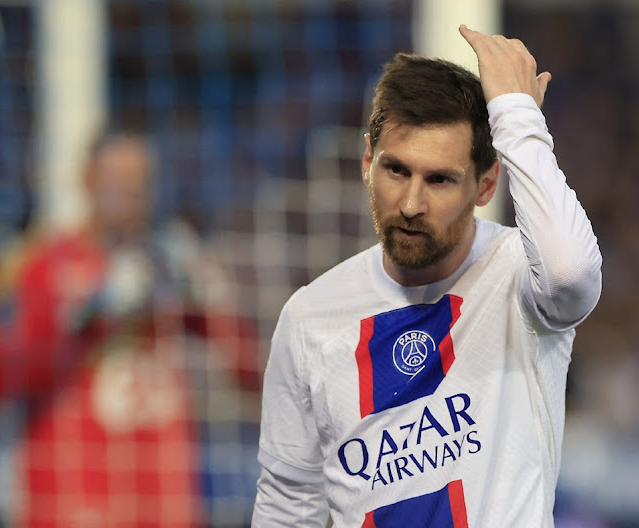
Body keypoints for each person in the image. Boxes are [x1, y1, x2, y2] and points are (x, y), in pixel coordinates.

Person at [252, 26, 602, 527]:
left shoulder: (520, 279)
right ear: (368, 159)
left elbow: (572, 275)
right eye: (396, 171)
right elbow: (287, 509)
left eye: (439, 179)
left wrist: (517, 115)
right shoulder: (309, 318)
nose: (411, 204)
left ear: (485, 185)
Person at [0, 131, 257, 527]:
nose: (127, 191)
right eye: (115, 177)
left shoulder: (170, 260)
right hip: (74, 494)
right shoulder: (37, 264)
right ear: (86, 179)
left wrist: (209, 298)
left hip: (164, 495)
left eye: (139, 180)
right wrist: (90, 319)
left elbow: (247, 368)